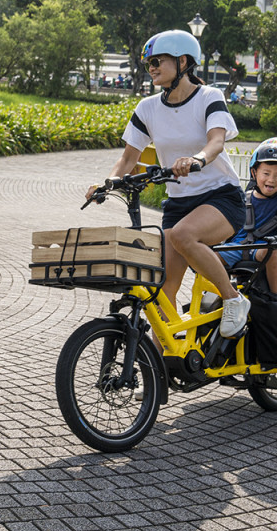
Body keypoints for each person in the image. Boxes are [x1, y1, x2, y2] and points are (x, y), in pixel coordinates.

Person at [86, 29, 250, 337]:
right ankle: (161, 369)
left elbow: (217, 141)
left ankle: (233, 299)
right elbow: (127, 160)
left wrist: (197, 159)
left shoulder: (209, 97)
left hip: (221, 198)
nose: (152, 68)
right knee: (162, 290)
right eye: (149, 63)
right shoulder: (147, 108)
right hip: (179, 202)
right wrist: (106, 183)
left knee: (182, 236)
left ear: (183, 62)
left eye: (158, 61)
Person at [218, 143, 277, 296]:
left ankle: (275, 299)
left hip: (261, 247)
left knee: (273, 251)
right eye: (266, 174)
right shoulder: (242, 198)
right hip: (235, 247)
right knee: (206, 257)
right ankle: (217, 295)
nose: (272, 180)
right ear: (254, 173)